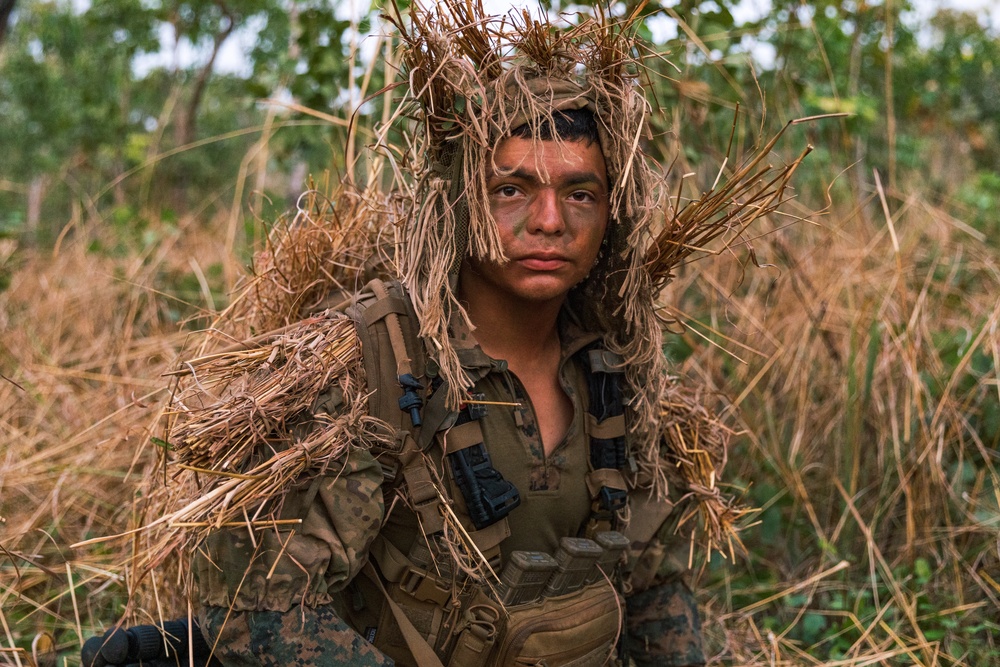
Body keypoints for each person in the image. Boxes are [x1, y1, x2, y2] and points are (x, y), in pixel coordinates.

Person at [180, 6, 718, 667]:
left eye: (581, 194)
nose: (550, 220)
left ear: (612, 212)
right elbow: (261, 613)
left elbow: (653, 586)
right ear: (462, 200)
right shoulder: (373, 363)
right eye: (512, 189)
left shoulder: (615, 369)